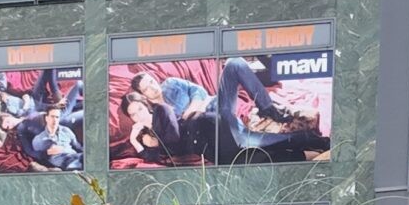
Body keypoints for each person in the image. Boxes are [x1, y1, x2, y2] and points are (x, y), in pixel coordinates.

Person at [130, 61, 329, 163]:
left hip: (216, 108)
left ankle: (269, 109)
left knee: (234, 64)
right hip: (214, 131)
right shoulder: (156, 116)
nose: (153, 88)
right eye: (147, 88)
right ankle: (309, 142)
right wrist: (134, 139)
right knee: (249, 145)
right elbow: (165, 145)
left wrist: (194, 107)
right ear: (143, 95)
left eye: (151, 82)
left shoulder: (171, 84)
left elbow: (199, 92)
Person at [29, 105, 83, 171]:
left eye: (57, 117)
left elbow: (77, 146)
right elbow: (36, 156)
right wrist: (47, 153)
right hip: (65, 165)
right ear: (46, 118)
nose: (54, 120)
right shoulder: (38, 139)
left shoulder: (66, 130)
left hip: (77, 157)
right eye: (52, 117)